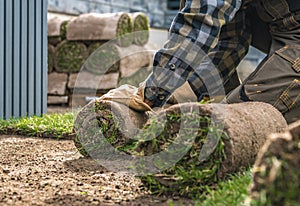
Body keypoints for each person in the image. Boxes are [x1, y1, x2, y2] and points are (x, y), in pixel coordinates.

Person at [103, 0, 300, 124]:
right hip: (288, 34)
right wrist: (177, 93)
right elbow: (230, 42)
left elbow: (199, 24)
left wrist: (149, 93)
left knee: (225, 125)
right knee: (223, 112)